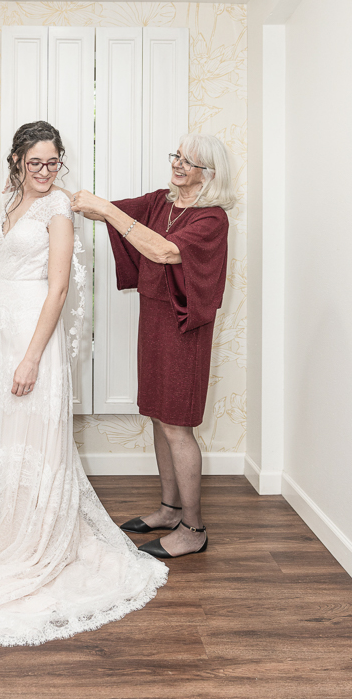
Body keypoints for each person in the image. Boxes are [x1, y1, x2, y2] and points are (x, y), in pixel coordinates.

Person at [0, 121, 168, 647]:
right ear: (16, 161)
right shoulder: (10, 203)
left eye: (53, 162)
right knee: (8, 436)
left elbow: (58, 289)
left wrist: (31, 358)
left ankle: (39, 536)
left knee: (35, 438)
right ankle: (10, 528)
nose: (46, 172)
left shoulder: (59, 209)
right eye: (36, 163)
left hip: (34, 332)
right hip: (4, 329)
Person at [71, 133, 235, 559]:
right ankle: (169, 509)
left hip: (185, 327)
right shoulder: (162, 202)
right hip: (155, 319)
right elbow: (104, 212)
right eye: (177, 155)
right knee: (160, 418)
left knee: (178, 424)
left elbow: (164, 252)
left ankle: (193, 530)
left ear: (209, 174)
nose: (177, 163)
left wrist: (107, 210)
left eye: (189, 161)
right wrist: (49, 189)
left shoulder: (212, 219)